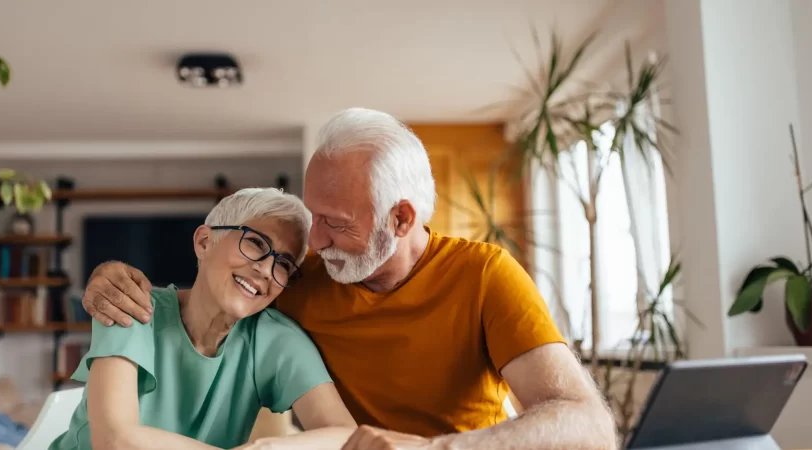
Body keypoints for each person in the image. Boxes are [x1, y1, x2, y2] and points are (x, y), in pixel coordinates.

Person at [81, 108, 617, 450]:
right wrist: (107, 276)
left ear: (400, 219)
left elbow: (589, 426)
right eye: (314, 218)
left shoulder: (485, 275)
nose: (314, 243)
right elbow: (215, 293)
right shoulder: (302, 280)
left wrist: (435, 449)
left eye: (335, 224)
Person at [49, 188, 357, 450]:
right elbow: (115, 440)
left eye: (284, 264)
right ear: (204, 242)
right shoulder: (132, 304)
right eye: (256, 243)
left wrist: (267, 448)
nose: (266, 270)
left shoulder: (275, 339)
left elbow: (345, 435)